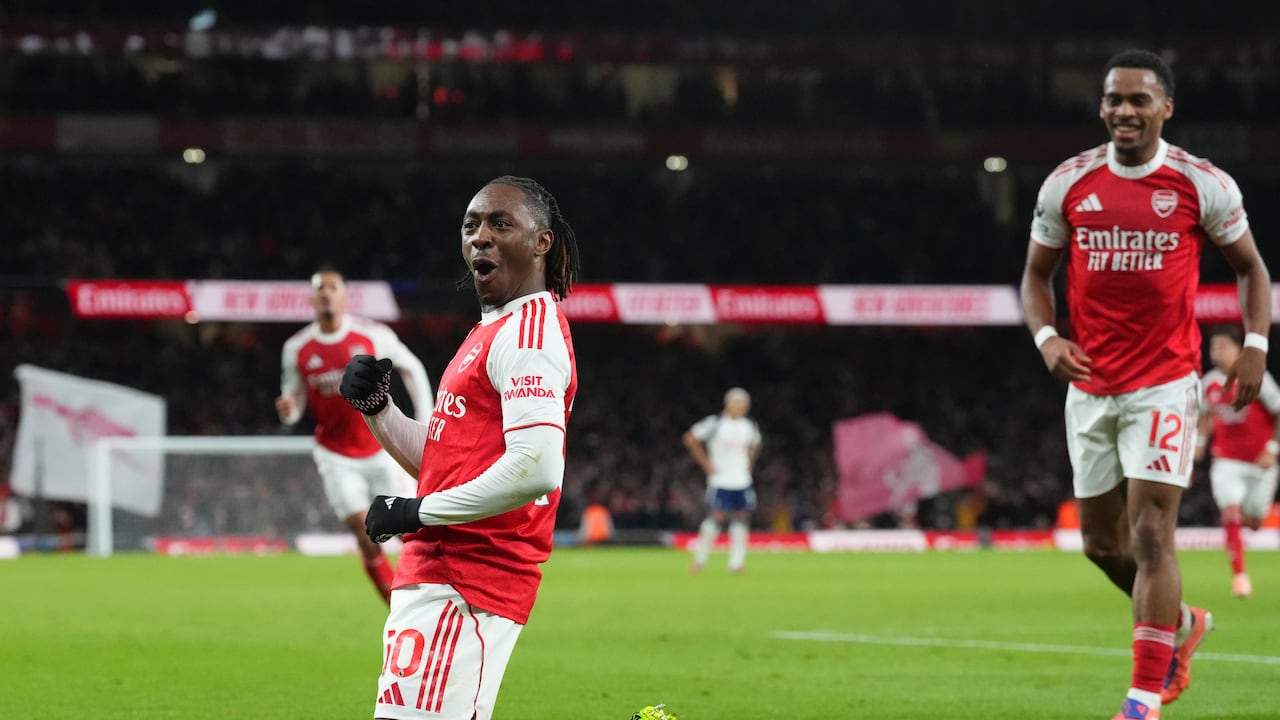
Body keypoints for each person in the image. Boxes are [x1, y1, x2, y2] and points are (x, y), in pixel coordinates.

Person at [1020, 49, 1271, 720]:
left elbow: (1250, 268)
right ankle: (1184, 624)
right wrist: (1047, 340)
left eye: (1138, 100)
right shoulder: (1067, 183)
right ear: (1101, 106)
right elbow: (1035, 278)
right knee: (1102, 545)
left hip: (1164, 383)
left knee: (1153, 532)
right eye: (1113, 99)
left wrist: (1255, 345)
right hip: (1090, 385)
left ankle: (1141, 699)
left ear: (1166, 108)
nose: (1123, 111)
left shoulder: (1200, 183)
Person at [338, 175, 580, 720]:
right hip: (442, 574)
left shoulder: (529, 334)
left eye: (500, 223)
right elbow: (448, 463)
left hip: (467, 578)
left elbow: (538, 468)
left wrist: (418, 511)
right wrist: (379, 408)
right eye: (471, 225)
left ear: (542, 242)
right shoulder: (492, 330)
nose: (480, 237)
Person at [277, 268, 432, 604]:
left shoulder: (371, 336)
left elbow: (412, 367)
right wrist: (289, 409)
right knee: (366, 533)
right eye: (320, 289)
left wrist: (427, 419)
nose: (327, 294)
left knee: (411, 532)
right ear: (311, 298)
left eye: (333, 288)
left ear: (345, 296)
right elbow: (295, 403)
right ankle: (397, 606)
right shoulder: (297, 348)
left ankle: (433, 595)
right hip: (335, 455)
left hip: (382, 449)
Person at [1195, 326, 1280, 599]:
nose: (1216, 352)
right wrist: (1199, 443)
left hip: (1259, 463)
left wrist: (1273, 449)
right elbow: (1205, 414)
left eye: (1223, 346)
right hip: (1226, 461)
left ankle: (1246, 521)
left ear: (1239, 349)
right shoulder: (1208, 382)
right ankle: (1240, 577)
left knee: (1254, 520)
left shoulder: (1255, 378)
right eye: (1213, 347)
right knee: (1230, 511)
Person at [684, 387, 762, 574]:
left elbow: (756, 443)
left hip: (742, 481)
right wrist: (707, 464)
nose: (743, 407)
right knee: (717, 516)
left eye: (745, 404)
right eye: (739, 403)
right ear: (728, 404)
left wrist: (749, 465)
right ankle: (700, 560)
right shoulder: (715, 423)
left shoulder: (748, 425)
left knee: (741, 517)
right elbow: (690, 438)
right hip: (721, 480)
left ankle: (736, 563)